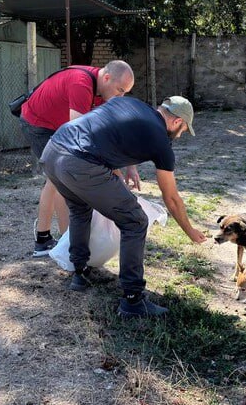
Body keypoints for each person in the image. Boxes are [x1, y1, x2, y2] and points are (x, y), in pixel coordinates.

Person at [40, 96, 209, 318]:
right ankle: (133, 300)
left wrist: (130, 167)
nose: (181, 135)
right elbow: (172, 198)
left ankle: (79, 273)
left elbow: (109, 129)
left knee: (80, 211)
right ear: (177, 122)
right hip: (80, 163)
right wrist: (190, 231)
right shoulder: (161, 140)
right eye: (184, 130)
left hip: (53, 151)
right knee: (136, 221)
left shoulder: (133, 104)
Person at [20, 60, 137, 257]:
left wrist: (129, 166)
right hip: (39, 124)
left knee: (57, 179)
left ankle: (48, 239)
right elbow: (78, 137)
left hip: (59, 125)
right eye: (120, 90)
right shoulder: (81, 84)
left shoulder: (104, 92)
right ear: (106, 78)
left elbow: (115, 130)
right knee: (60, 178)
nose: (121, 96)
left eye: (125, 92)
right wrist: (113, 169)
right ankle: (65, 242)